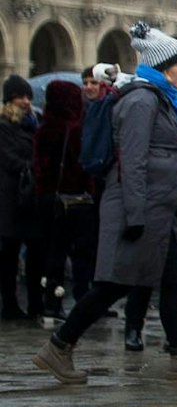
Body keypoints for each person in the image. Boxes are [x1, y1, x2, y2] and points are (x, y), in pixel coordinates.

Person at [33, 25, 177, 383]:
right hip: (140, 207)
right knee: (114, 284)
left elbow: (163, 160)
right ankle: (58, 347)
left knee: (174, 279)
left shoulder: (161, 100)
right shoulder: (142, 101)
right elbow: (133, 161)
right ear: (162, 66)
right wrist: (135, 215)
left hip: (159, 207)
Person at [30, 80, 93, 323]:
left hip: (46, 200)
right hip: (73, 201)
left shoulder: (43, 128)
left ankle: (49, 301)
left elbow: (39, 167)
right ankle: (68, 300)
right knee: (75, 253)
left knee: (50, 252)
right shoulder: (75, 129)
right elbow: (83, 166)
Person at [1, 74, 42, 319]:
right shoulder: (3, 126)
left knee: (35, 250)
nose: (26, 102)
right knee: (9, 254)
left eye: (28, 97)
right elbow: (10, 160)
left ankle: (35, 303)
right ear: (10, 100)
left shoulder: (34, 123)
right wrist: (33, 165)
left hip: (30, 199)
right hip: (9, 199)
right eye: (20, 97)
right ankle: (9, 304)